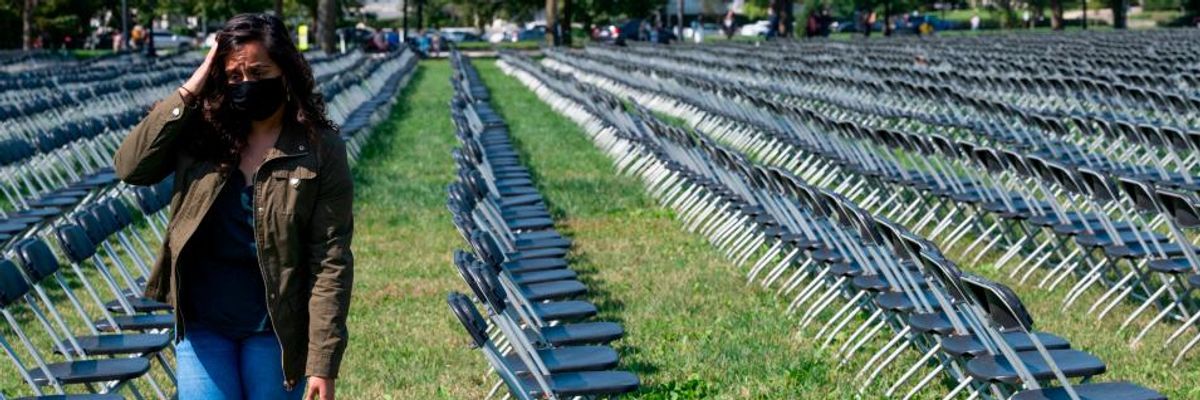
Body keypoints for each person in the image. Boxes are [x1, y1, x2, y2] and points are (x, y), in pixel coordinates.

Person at [113, 13, 354, 400]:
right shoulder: (203, 134)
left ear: (286, 72)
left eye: (259, 73)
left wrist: (323, 363)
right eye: (235, 76)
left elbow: (331, 258)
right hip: (205, 320)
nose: (247, 85)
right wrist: (194, 86)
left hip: (275, 324)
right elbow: (130, 167)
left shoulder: (320, 148)